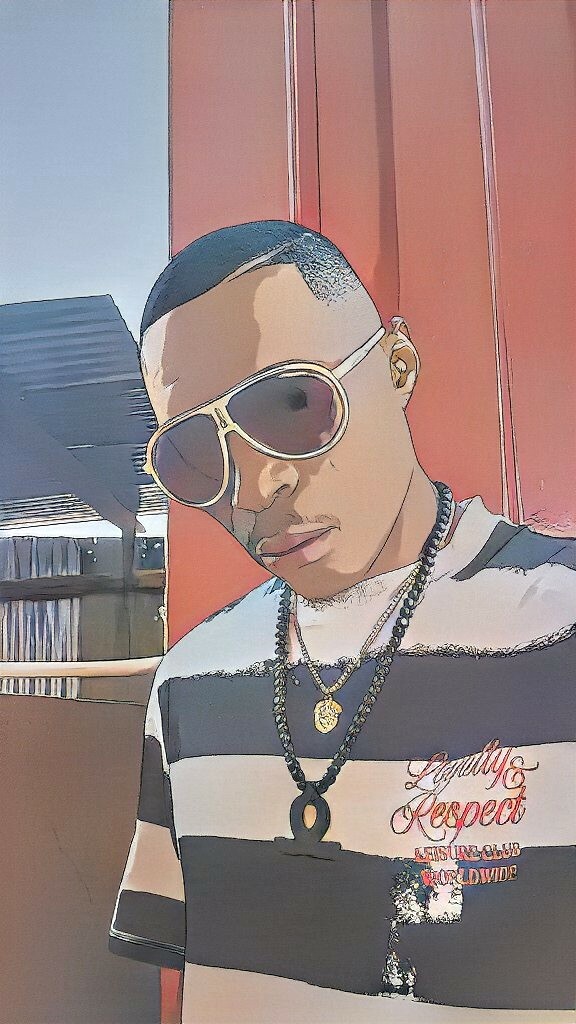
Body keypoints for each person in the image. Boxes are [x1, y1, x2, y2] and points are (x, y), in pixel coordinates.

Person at [109, 221, 576, 1023]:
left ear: (396, 366)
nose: (254, 487)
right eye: (194, 454)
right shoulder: (188, 681)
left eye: (291, 404)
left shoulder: (559, 622)